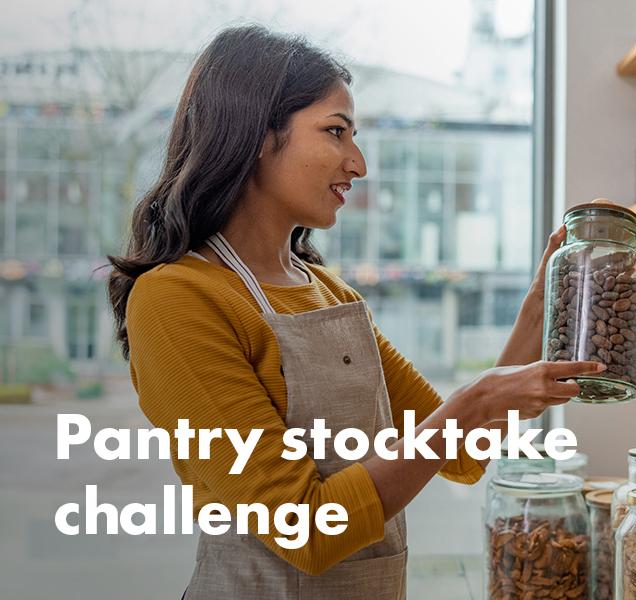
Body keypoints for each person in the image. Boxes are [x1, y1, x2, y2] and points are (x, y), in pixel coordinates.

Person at [107, 24, 602, 600]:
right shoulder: (176, 299)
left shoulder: (328, 292)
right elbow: (306, 529)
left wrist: (541, 308)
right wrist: (471, 405)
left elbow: (464, 457)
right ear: (256, 136)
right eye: (335, 132)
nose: (358, 163)